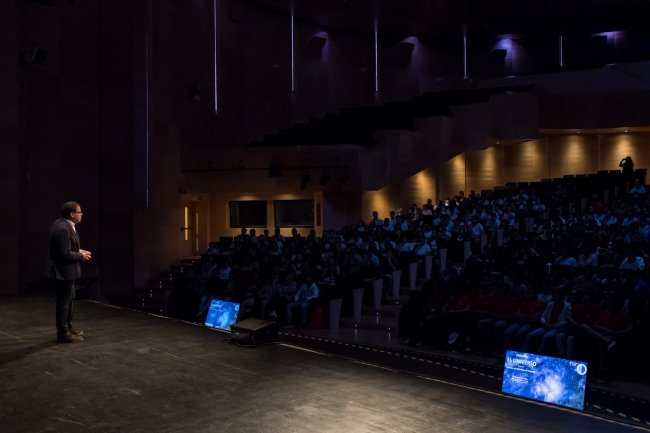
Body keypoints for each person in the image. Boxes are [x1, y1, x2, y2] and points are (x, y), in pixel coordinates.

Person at [49, 201, 92, 343]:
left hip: (68, 271)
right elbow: (64, 253)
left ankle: (68, 327)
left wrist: (78, 250)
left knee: (69, 300)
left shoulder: (63, 224)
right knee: (64, 302)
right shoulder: (63, 228)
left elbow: (65, 247)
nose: (82, 214)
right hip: (64, 271)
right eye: (79, 212)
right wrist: (80, 256)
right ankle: (63, 333)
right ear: (72, 214)